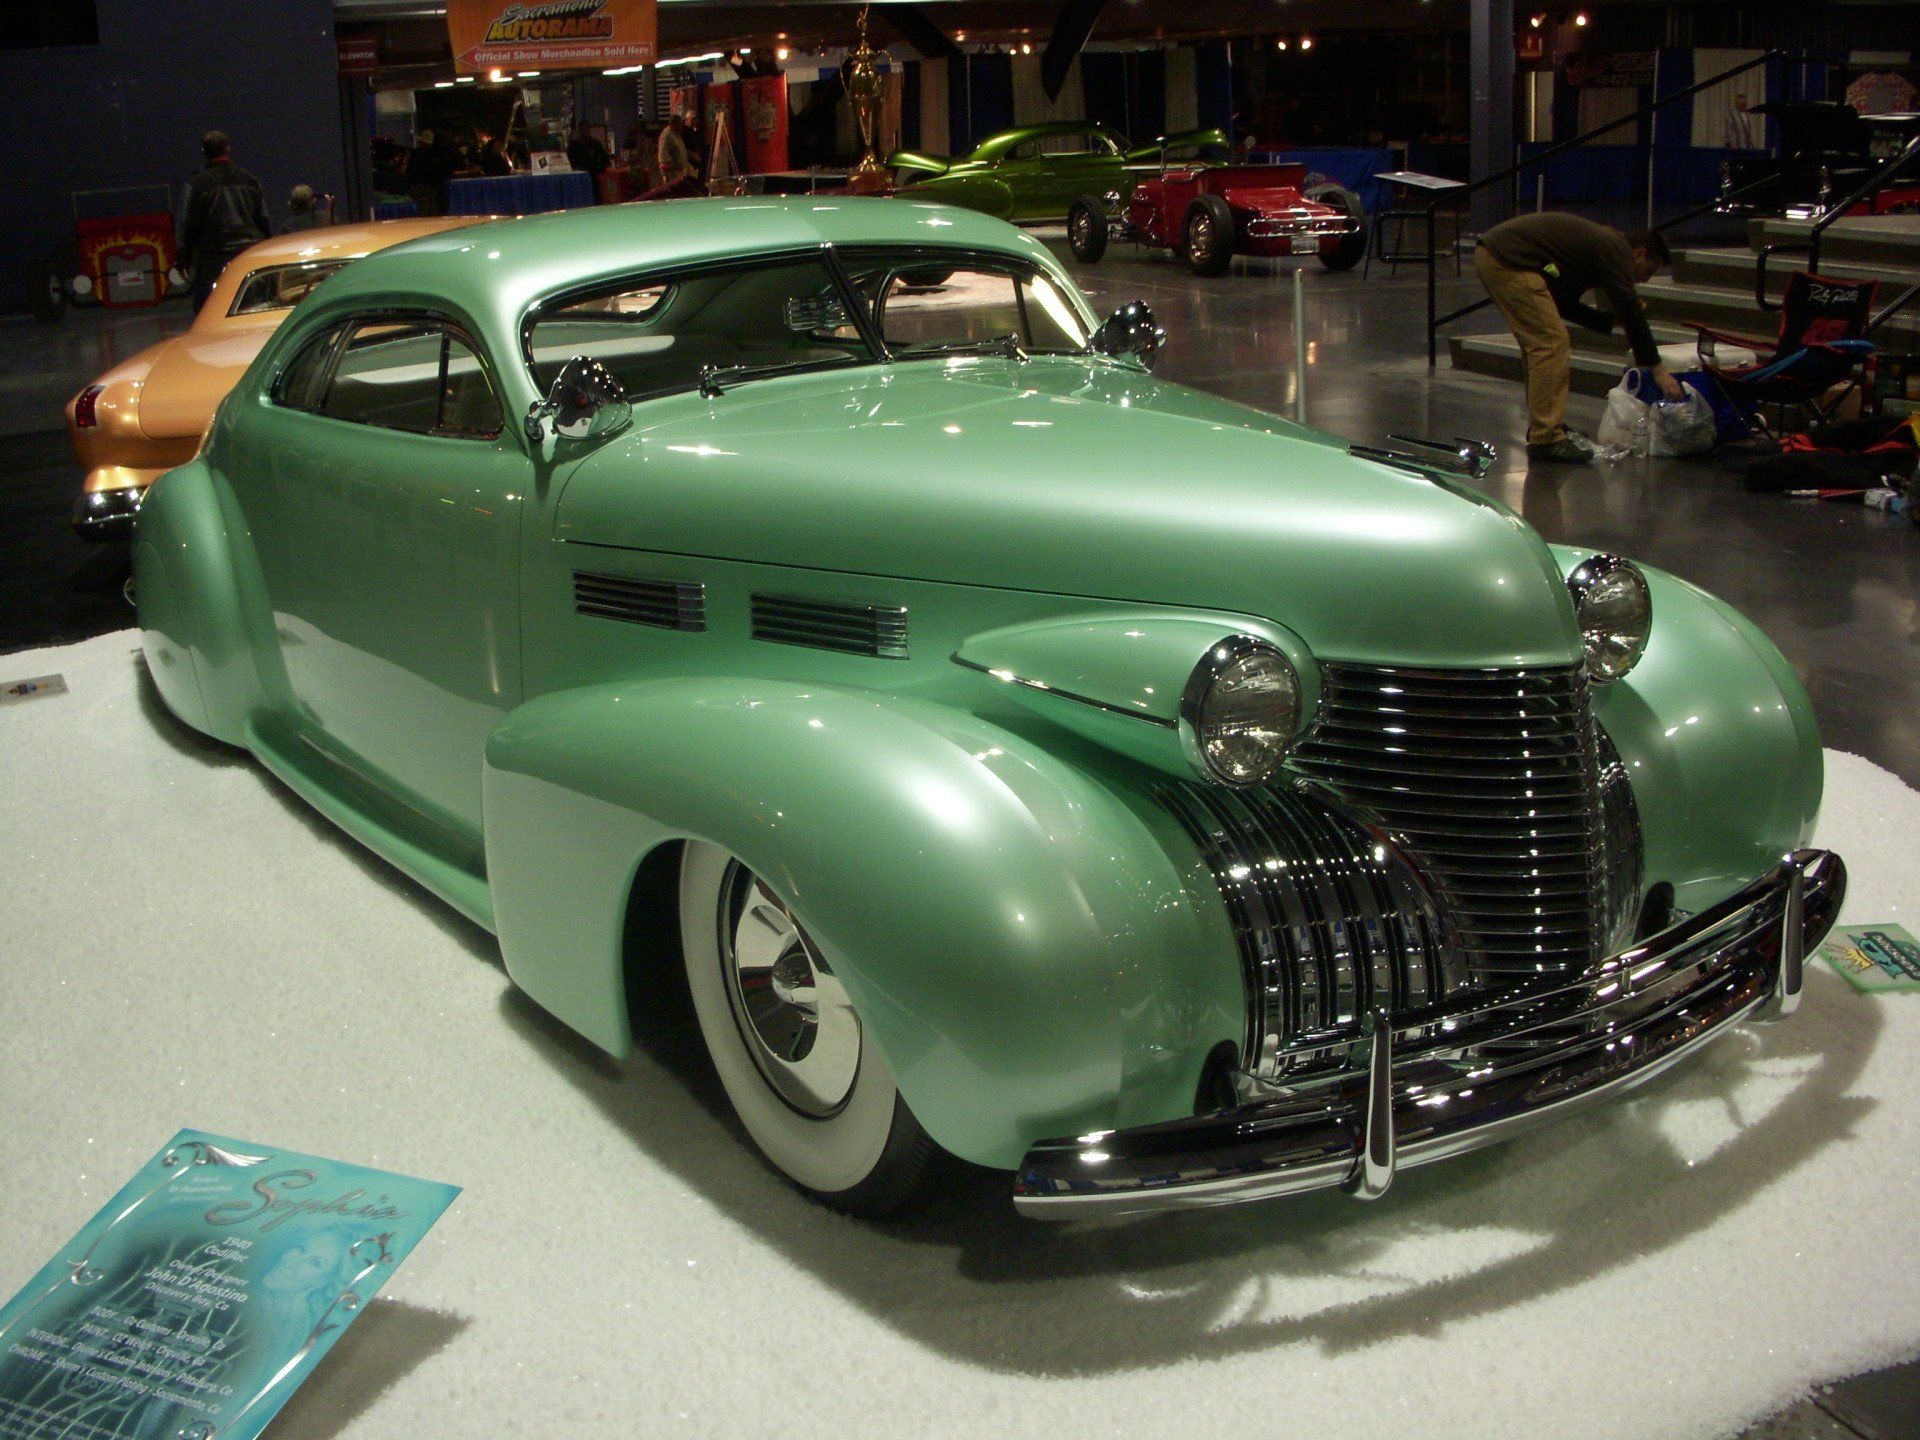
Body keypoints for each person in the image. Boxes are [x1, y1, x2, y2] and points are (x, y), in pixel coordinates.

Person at [1474, 212, 1680, 464]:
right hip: (1508, 259)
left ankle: (1548, 427)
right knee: (1550, 343)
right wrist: (1657, 369)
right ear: (1639, 253)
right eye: (1647, 271)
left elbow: (1563, 303)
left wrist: (1606, 320)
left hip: (1499, 255)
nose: (1644, 279)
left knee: (1543, 343)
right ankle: (1546, 439)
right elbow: (1629, 308)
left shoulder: (1597, 250)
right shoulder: (1616, 249)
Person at [176, 129, 271, 312]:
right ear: (228, 149)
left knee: (209, 309)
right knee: (251, 307)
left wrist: (183, 259)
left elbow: (187, 224)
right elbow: (263, 220)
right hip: (247, 254)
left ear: (204, 152)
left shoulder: (196, 184)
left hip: (211, 258)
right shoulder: (249, 180)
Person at [408, 127, 453, 216]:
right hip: (422, 187)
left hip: (429, 187)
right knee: (426, 209)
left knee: (431, 210)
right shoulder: (419, 154)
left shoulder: (431, 154)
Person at [566, 123, 611, 200]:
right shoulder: (573, 146)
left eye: (586, 129)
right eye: (582, 130)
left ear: (589, 130)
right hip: (578, 179)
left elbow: (606, 160)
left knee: (596, 200)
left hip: (593, 179)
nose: (584, 132)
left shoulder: (595, 144)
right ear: (579, 131)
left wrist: (598, 169)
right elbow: (567, 161)